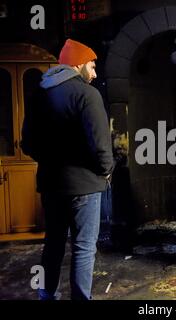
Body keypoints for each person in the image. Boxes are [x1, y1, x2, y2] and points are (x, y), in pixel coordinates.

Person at [21, 39, 114, 300]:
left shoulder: (40, 93)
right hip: (86, 185)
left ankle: (47, 294)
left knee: (53, 244)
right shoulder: (87, 94)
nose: (94, 73)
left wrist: (50, 161)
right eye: (93, 66)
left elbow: (27, 142)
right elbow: (100, 145)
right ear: (79, 64)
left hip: (52, 184)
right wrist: (106, 170)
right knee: (84, 248)